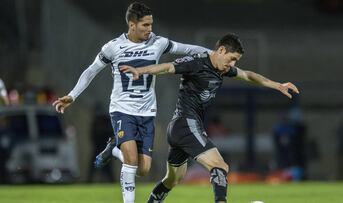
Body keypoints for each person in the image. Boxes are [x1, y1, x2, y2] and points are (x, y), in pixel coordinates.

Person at [52, 2, 210, 203]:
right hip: (122, 110)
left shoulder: (158, 43)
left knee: (143, 170)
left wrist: (212, 55)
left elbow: (187, 49)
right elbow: (91, 71)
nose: (150, 29)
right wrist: (72, 95)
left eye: (151, 24)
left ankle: (113, 148)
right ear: (132, 24)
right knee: (132, 162)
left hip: (147, 112)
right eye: (145, 25)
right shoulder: (113, 47)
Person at [121, 33, 300, 203]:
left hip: (181, 129)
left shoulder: (223, 69)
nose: (232, 63)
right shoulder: (197, 62)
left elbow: (247, 75)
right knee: (220, 166)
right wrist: (140, 70)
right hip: (186, 124)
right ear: (221, 50)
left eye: (236, 61)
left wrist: (277, 85)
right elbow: (168, 67)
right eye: (232, 58)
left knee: (172, 180)